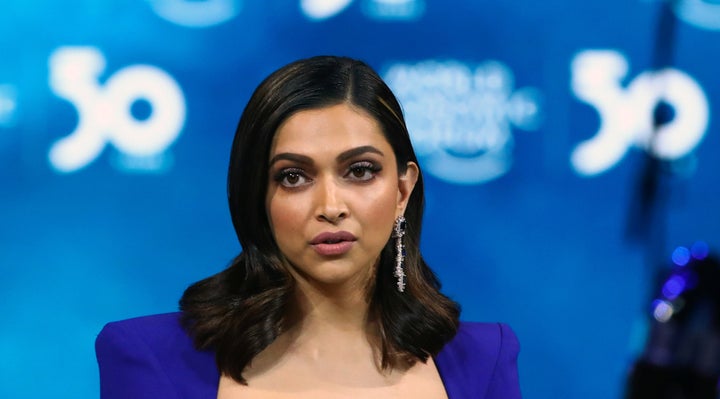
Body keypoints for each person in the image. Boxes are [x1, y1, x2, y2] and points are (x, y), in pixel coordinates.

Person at [95, 56, 522, 399]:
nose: (330, 206)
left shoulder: (482, 361)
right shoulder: (151, 357)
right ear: (257, 196)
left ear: (403, 190)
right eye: (293, 177)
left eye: (360, 170)